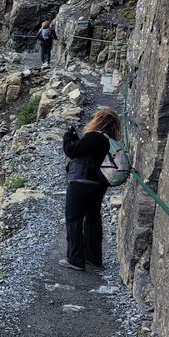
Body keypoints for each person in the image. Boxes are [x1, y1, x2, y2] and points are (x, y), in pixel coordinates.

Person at [60, 107, 123, 271]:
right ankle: (94, 259)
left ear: (99, 121)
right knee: (93, 218)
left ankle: (75, 260)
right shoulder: (110, 141)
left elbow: (72, 151)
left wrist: (68, 137)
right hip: (99, 186)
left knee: (74, 220)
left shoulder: (94, 136)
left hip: (81, 183)